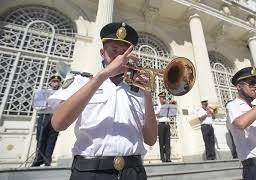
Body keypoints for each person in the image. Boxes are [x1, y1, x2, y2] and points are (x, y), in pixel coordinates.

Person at [48, 22, 157, 180]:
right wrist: (102, 75)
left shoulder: (138, 91)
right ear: (102, 52)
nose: (119, 57)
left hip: (134, 171)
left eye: (124, 52)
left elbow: (151, 139)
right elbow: (58, 123)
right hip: (90, 172)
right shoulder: (81, 82)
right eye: (114, 50)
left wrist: (148, 94)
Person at [32, 74, 62, 166]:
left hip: (55, 116)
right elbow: (37, 105)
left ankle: (47, 160)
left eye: (57, 82)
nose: (55, 83)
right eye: (54, 81)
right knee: (41, 138)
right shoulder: (43, 92)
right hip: (44, 116)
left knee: (52, 139)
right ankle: (38, 159)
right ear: (50, 82)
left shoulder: (61, 93)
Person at [155, 92, 171, 162]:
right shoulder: (157, 106)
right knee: (162, 142)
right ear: (160, 98)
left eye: (164, 98)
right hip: (161, 124)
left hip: (167, 124)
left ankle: (168, 157)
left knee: (167, 142)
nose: (164, 99)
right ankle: (162, 158)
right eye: (162, 98)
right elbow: (157, 115)